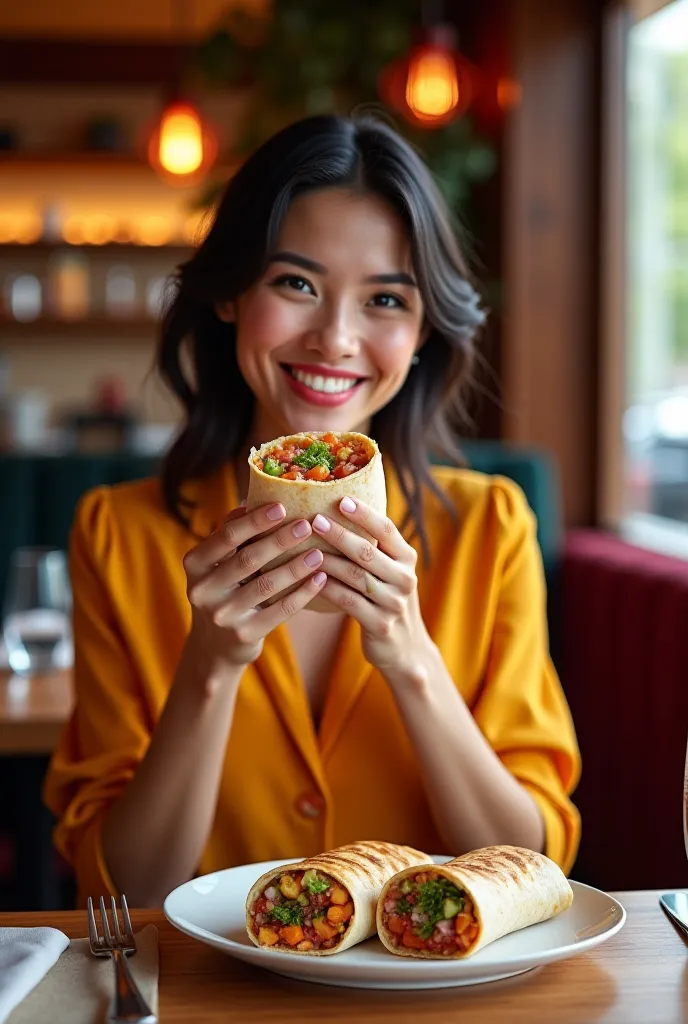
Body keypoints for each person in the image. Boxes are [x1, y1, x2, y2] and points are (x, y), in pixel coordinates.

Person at [44, 115, 581, 908]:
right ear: (231, 294)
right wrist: (209, 667)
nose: (335, 338)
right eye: (296, 283)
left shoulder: (491, 528)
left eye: (386, 299)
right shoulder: (117, 534)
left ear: (424, 329)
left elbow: (531, 867)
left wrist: (409, 657)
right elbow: (125, 890)